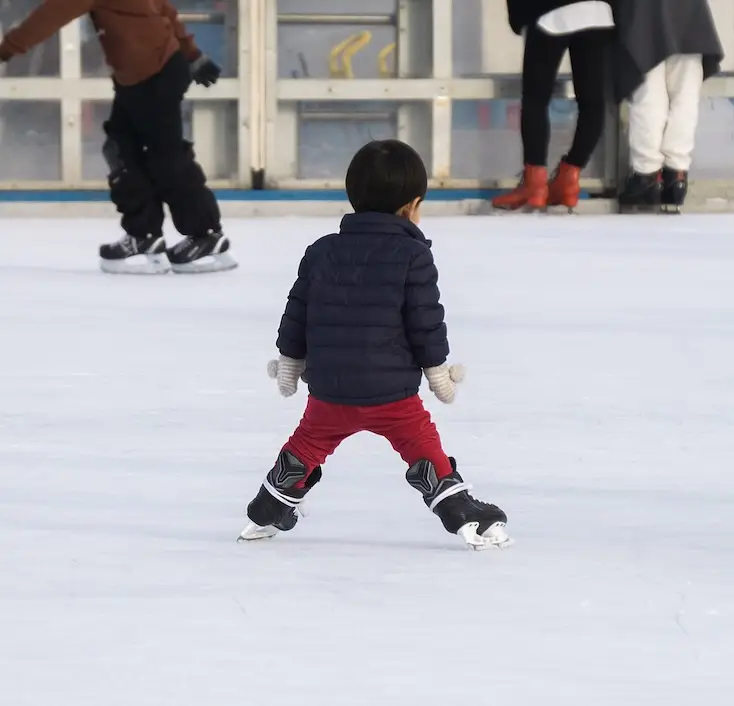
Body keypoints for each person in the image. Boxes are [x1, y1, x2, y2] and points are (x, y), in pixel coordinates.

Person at [239, 139, 511, 550]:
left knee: (307, 443)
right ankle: (459, 510)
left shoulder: (321, 251)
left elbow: (297, 312)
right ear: (412, 205)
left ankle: (270, 504)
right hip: (391, 393)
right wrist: (438, 373)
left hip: (330, 390)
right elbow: (425, 322)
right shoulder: (413, 255)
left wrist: (290, 362)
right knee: (421, 444)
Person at [0, 0, 236, 275]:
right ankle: (144, 234)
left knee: (164, 155)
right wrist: (192, 53)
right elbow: (164, 8)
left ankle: (205, 234)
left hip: (154, 73)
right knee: (123, 149)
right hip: (144, 74)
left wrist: (5, 50)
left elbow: (47, 18)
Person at [492, 0, 615, 213]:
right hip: (598, 12)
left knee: (536, 99)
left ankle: (535, 184)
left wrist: (519, 17)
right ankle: (569, 178)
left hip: (549, 11)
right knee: (592, 103)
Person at [611, 0, 723, 214]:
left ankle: (647, 174)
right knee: (685, 96)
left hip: (643, 16)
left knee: (648, 95)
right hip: (690, 16)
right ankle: (676, 175)